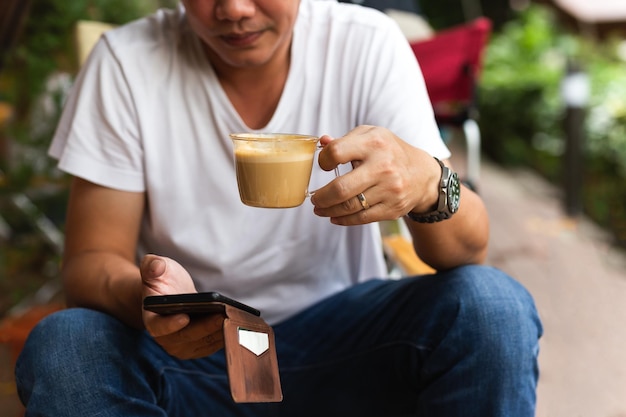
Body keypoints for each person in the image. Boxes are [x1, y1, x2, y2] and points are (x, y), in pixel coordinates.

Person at [15, 0, 542, 416]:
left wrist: (430, 184)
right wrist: (149, 300)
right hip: (192, 360)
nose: (234, 9)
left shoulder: (363, 43)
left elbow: (468, 251)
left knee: (491, 306)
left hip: (344, 350)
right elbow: (89, 261)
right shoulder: (127, 62)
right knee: (66, 343)